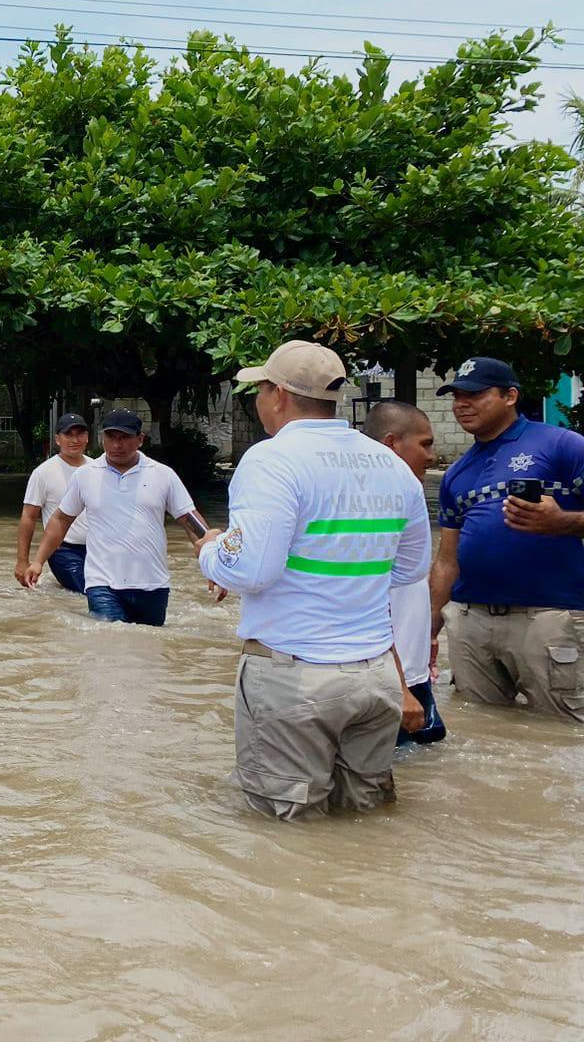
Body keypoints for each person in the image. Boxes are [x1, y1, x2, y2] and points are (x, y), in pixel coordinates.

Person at [196, 341, 430, 822]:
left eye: (259, 389)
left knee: (288, 831)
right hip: (376, 678)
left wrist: (212, 550)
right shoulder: (392, 464)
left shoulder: (270, 460)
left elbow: (252, 571)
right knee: (367, 820)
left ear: (277, 394)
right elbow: (409, 570)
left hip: (295, 675)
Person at [430, 357, 584, 722]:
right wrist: (431, 625)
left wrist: (562, 521)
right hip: (471, 622)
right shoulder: (457, 472)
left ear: (510, 396)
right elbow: (446, 558)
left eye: (475, 394)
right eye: (456, 397)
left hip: (548, 616)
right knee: (481, 731)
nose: (461, 405)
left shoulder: (562, 445)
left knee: (563, 732)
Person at [26, 409, 210, 626]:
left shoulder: (162, 474)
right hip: (102, 583)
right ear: (102, 438)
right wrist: (37, 562)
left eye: (124, 438)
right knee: (109, 645)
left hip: (152, 583)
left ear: (140, 439)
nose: (116, 445)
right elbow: (60, 520)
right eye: (111, 437)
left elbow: (188, 519)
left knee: (149, 650)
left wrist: (213, 560)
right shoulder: (85, 475)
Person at [362, 400, 447, 745]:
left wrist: (427, 638)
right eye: (424, 444)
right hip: (391, 675)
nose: (431, 456)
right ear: (391, 444)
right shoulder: (371, 505)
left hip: (407, 669)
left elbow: (407, 588)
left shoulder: (401, 494)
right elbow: (371, 598)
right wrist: (399, 686)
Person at [16, 413, 92, 592]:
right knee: (88, 592)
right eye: (68, 434)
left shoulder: (98, 469)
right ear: (57, 439)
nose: (74, 440)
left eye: (79, 434)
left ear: (87, 437)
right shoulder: (43, 473)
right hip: (63, 550)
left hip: (98, 547)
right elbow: (28, 516)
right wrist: (22, 561)